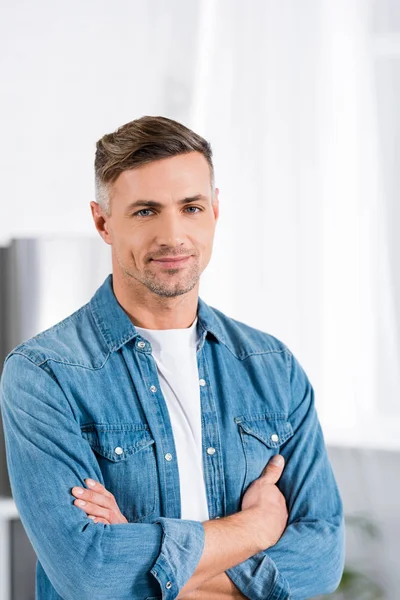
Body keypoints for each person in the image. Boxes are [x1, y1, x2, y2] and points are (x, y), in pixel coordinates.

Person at [0, 115, 345, 600]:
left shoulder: (271, 367)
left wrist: (150, 569)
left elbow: (322, 560)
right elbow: (90, 574)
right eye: (145, 211)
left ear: (216, 209)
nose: (173, 235)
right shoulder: (45, 375)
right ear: (103, 222)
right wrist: (259, 526)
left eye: (191, 207)